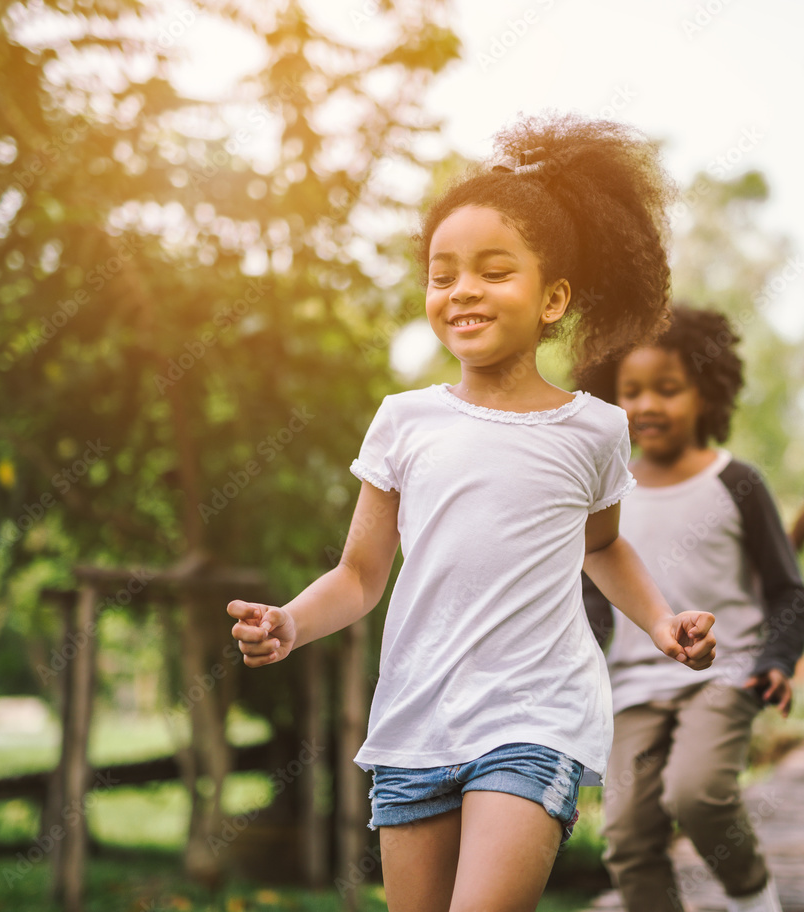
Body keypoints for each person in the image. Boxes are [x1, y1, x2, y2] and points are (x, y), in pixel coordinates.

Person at [228, 114, 717, 912]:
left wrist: (661, 623)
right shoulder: (403, 421)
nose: (462, 290)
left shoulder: (595, 428)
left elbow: (603, 548)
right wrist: (291, 621)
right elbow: (358, 576)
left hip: (537, 716)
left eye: (493, 271)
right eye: (442, 273)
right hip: (417, 718)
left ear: (552, 297)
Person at [578, 305, 804, 912]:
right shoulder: (609, 490)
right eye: (631, 391)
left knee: (698, 792)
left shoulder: (740, 484)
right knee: (626, 835)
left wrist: (778, 661)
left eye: (667, 389)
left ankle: (755, 899)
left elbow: (788, 589)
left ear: (707, 394)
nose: (647, 404)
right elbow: (595, 601)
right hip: (633, 686)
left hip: (729, 673)